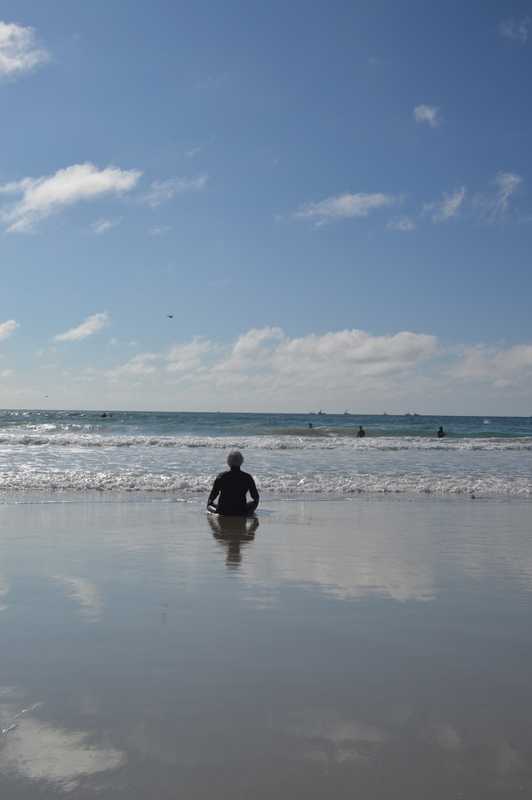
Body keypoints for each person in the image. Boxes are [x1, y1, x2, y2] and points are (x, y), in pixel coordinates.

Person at [207, 450, 259, 516]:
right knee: (254, 502)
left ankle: (216, 512)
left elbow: (213, 495)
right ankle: (246, 513)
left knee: (209, 503)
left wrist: (213, 505)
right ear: (241, 461)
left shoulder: (221, 476)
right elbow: (256, 498)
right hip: (240, 510)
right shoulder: (247, 477)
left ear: (228, 462)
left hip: (223, 510)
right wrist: (249, 511)